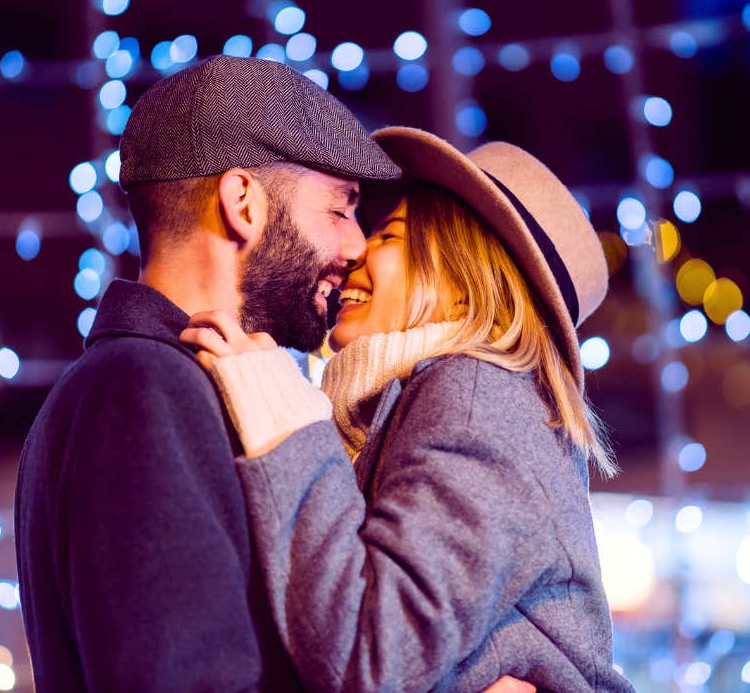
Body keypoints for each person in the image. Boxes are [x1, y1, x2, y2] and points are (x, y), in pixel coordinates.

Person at [14, 57, 533, 693]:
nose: (354, 247)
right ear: (243, 205)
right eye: (340, 211)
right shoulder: (145, 388)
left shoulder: (172, 383)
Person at [182, 127, 636, 693]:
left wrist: (286, 426)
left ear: (465, 284)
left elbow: (373, 658)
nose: (355, 254)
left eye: (390, 236)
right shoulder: (420, 407)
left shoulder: (477, 398)